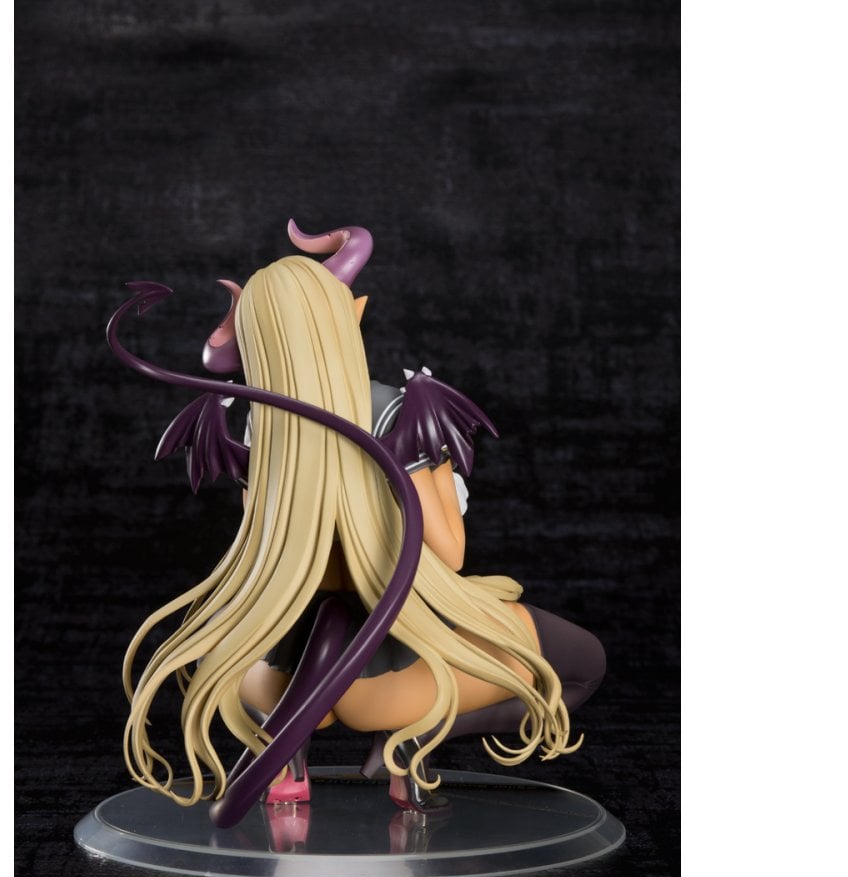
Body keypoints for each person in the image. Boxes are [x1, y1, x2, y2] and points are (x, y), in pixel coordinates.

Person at [108, 223, 605, 827]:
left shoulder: (258, 422)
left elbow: (272, 547)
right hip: (395, 680)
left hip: (270, 679)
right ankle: (409, 746)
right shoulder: (401, 410)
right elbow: (446, 553)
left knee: (222, 646)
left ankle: (284, 763)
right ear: (349, 316)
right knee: (581, 665)